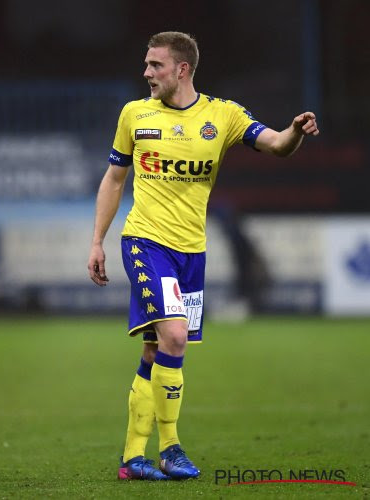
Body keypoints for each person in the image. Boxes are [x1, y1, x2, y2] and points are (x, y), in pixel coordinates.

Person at [87, 31, 318, 481]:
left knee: (157, 350)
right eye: (146, 64)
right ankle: (171, 450)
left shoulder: (223, 115)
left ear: (182, 69)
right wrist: (97, 240)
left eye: (155, 65)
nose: (146, 73)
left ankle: (133, 458)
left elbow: (275, 144)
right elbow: (115, 179)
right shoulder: (134, 115)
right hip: (145, 242)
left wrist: (294, 131)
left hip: (191, 251)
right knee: (174, 336)